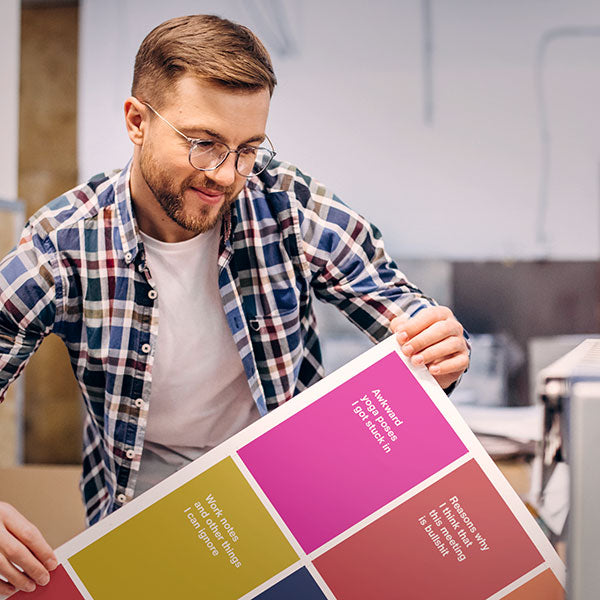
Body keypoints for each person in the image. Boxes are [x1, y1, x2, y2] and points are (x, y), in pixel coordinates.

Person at [0, 14, 469, 594]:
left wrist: (438, 339)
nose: (226, 175)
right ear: (137, 121)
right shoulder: (67, 242)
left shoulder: (284, 202)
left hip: (286, 480)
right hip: (143, 489)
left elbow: (399, 304)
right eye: (204, 145)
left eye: (247, 149)